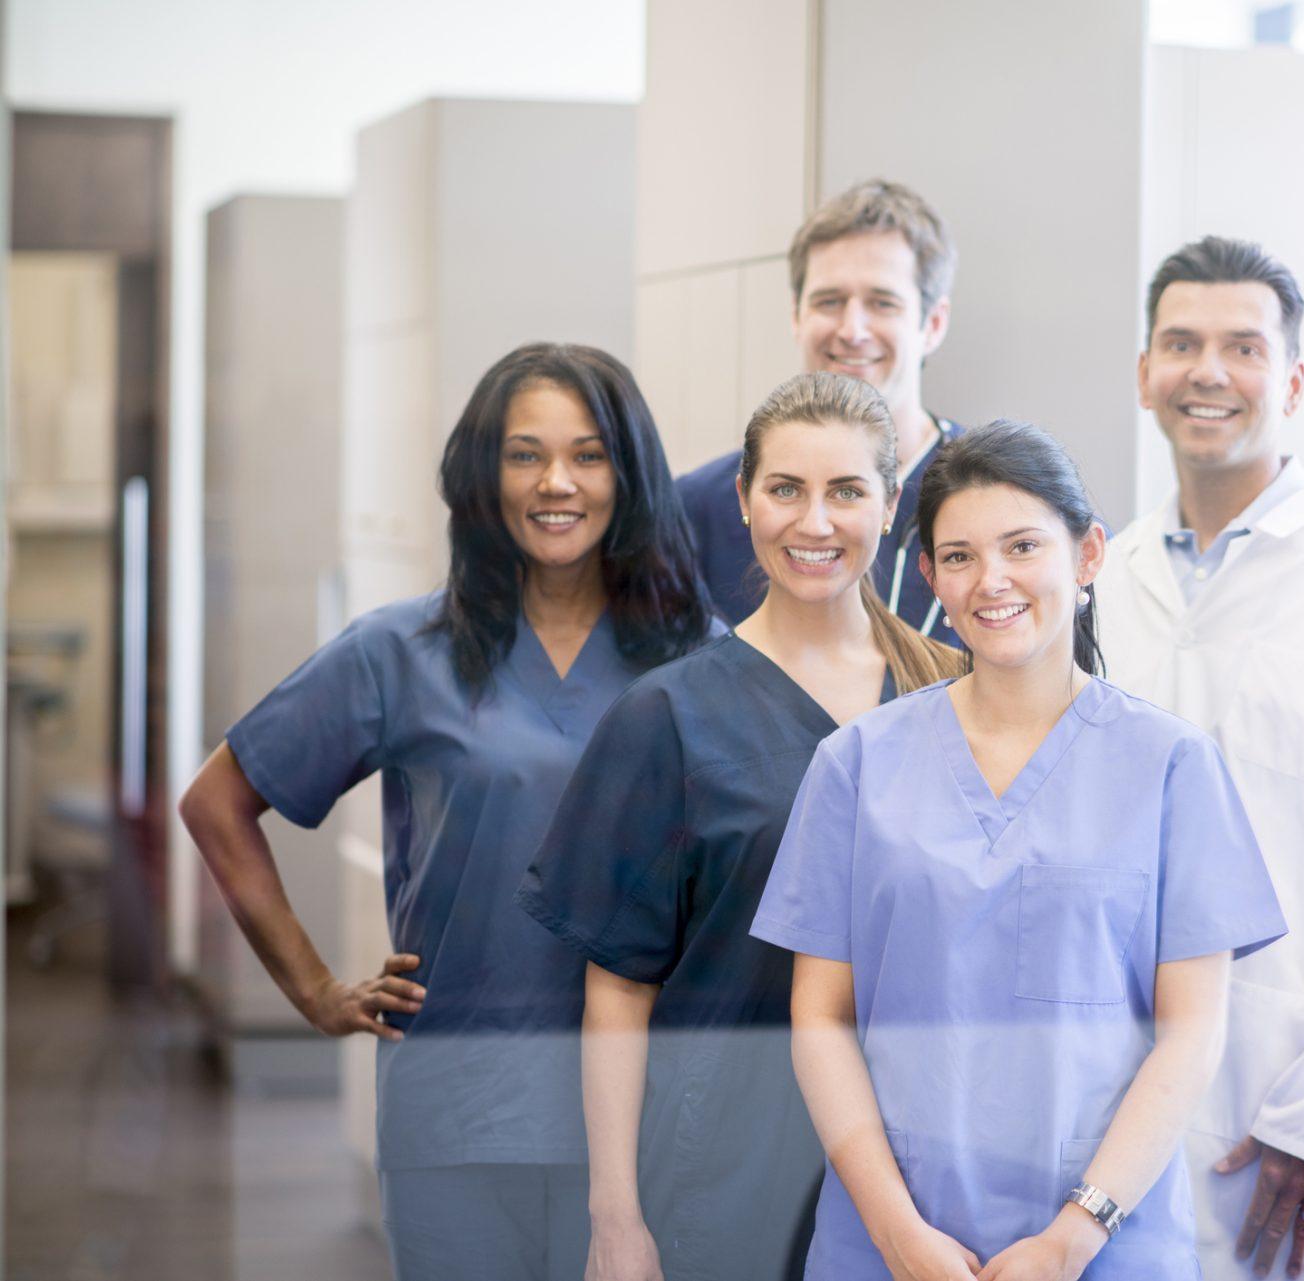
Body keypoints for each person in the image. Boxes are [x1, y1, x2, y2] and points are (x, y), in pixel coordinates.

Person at [178, 343, 713, 1281]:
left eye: (589, 455)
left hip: (646, 1119)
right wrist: (316, 991)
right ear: (484, 474)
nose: (558, 482)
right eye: (524, 454)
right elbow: (218, 801)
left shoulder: (694, 658)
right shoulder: (400, 652)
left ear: (628, 475)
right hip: (460, 1106)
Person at [751, 421, 1289, 1280]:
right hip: (888, 1236)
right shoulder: (857, 763)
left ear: (1087, 557)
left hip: (1106, 1241)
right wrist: (895, 1234)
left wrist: (1076, 1234)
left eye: (1022, 545)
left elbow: (1192, 1029)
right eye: (958, 555)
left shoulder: (1171, 766)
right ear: (928, 575)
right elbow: (819, 1019)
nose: (990, 580)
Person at [516, 371, 964, 1281]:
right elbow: (616, 990)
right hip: (727, 1165)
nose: (815, 521)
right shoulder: (667, 717)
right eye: (786, 489)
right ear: (744, 503)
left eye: (847, 490)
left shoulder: (952, 692)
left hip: (929, 1163)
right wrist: (615, 1217)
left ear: (891, 509)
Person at [1097, 236, 1304, 1281]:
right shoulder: (1106, 577)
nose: (1208, 371)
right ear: (1144, 373)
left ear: (1291, 379)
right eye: (1181, 343)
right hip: (1114, 1100)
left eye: (1243, 346)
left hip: (1290, 1111)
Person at [676, 178, 965, 645]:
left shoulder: (995, 500)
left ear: (932, 324)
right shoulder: (698, 510)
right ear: (796, 316)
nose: (852, 330)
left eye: (881, 302)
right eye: (829, 302)